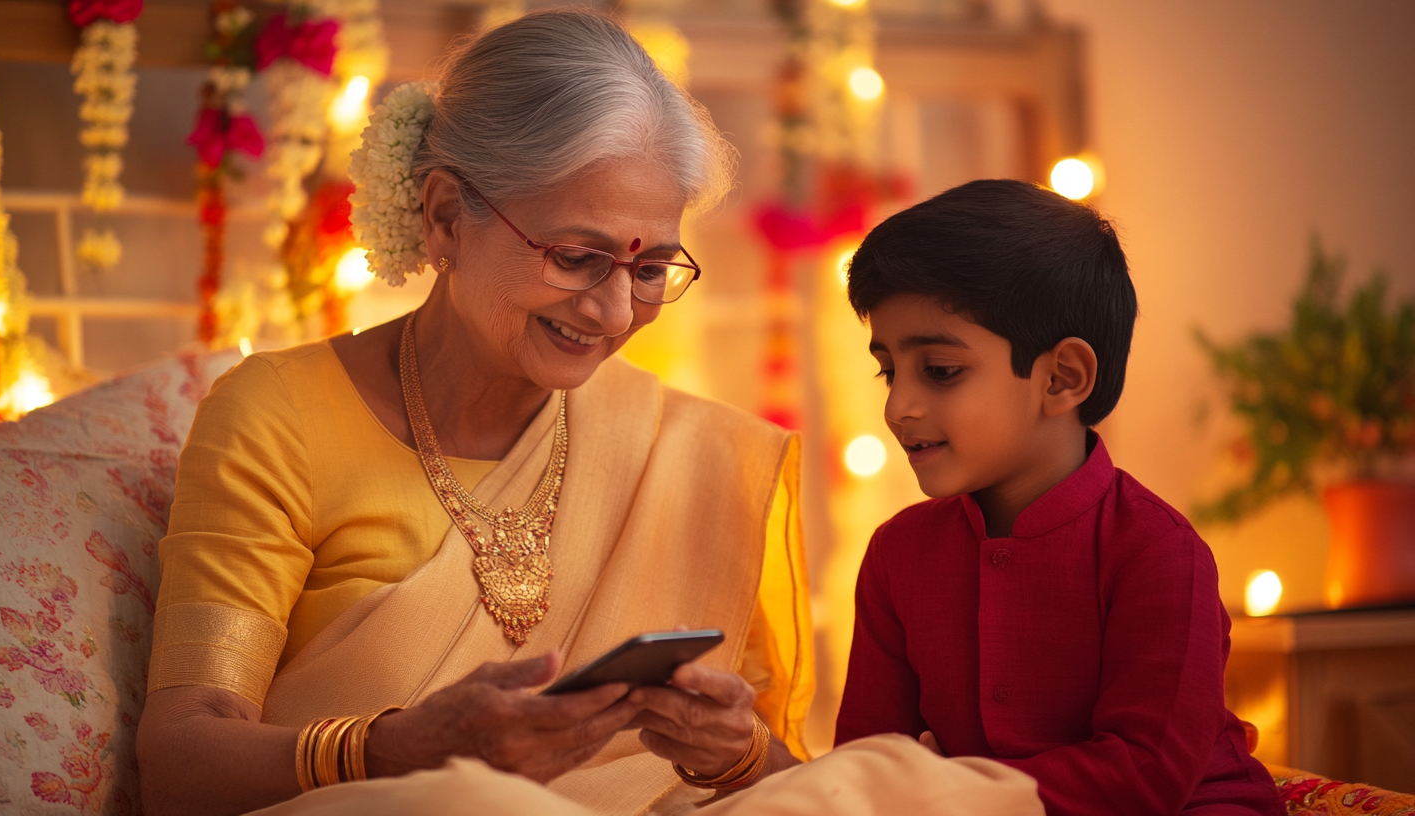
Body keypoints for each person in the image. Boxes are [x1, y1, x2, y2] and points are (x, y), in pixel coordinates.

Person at [137, 11, 1045, 816]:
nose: (615, 314)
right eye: (578, 257)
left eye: (650, 270)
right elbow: (179, 765)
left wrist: (735, 756)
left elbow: (779, 783)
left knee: (911, 788)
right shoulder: (280, 414)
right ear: (447, 215)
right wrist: (394, 749)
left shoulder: (696, 454)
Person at [834, 179, 1284, 816]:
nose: (898, 407)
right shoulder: (897, 554)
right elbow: (864, 764)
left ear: (1062, 378)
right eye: (889, 370)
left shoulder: (1160, 551)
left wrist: (940, 792)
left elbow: (1145, 774)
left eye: (939, 371)